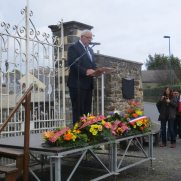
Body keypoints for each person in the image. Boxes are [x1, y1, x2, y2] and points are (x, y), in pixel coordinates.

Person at [67, 29, 97, 125]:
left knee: (87, 109)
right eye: (88, 38)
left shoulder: (90, 50)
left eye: (91, 38)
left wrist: (97, 71)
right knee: (78, 110)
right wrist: (85, 71)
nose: (90, 40)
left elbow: (93, 65)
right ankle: (78, 131)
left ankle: (87, 129)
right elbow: (73, 63)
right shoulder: (74, 48)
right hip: (77, 84)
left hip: (88, 84)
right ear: (82, 37)